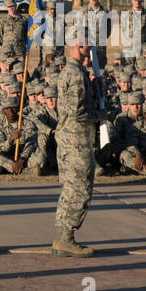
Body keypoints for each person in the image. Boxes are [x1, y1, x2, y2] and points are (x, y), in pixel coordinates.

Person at [52, 35, 101, 257]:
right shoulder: (75, 74)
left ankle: (64, 236)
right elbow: (76, 111)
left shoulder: (74, 72)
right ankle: (66, 238)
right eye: (88, 43)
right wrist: (99, 115)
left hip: (72, 139)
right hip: (76, 141)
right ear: (79, 45)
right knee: (79, 189)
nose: (90, 47)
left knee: (71, 189)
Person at [0, 95, 38, 175]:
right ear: (3, 111)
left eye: (13, 108)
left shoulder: (28, 123)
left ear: (17, 109)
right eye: (7, 109)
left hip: (24, 157)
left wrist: (22, 159)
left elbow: (32, 144)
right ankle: (19, 169)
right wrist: (10, 140)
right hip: (6, 156)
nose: (10, 111)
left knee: (41, 157)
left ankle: (5, 169)